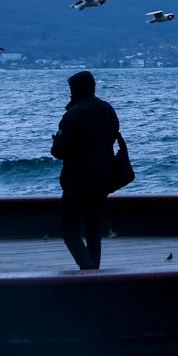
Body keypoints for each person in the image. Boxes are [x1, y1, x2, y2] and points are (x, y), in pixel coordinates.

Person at [51, 69, 122, 270]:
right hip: (103, 179)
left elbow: (59, 151)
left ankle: (88, 269)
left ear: (75, 89)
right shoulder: (107, 109)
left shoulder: (74, 113)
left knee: (68, 228)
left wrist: (57, 143)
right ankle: (93, 271)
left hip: (77, 181)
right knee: (93, 227)